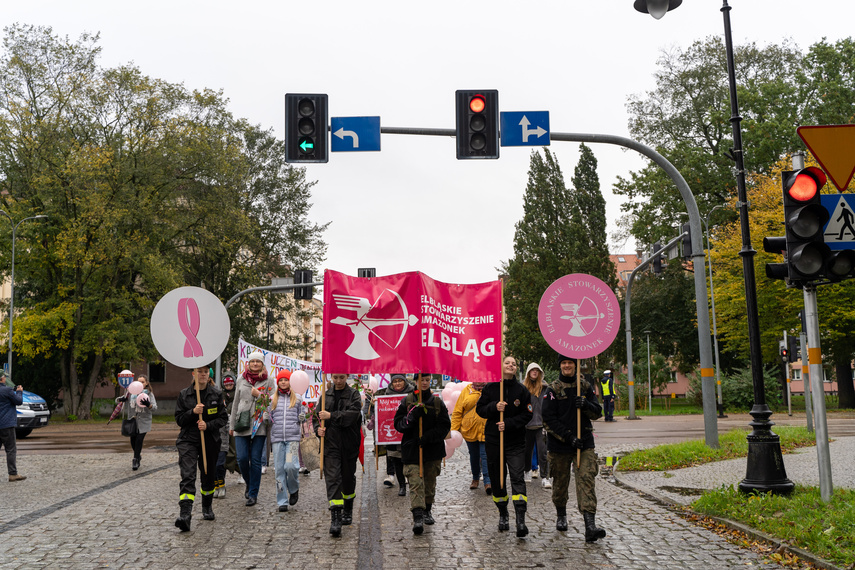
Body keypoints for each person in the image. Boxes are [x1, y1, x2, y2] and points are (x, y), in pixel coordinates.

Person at [542, 354, 606, 543]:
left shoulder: (584, 386)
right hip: (560, 444)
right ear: (560, 366)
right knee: (560, 483)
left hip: (584, 443)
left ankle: (589, 525)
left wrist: (586, 405)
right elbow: (548, 419)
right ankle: (561, 514)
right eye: (564, 363)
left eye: (570, 362)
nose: (567, 365)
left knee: (586, 480)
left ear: (576, 365)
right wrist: (568, 437)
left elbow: (597, 413)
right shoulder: (553, 389)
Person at [476, 356, 533, 537]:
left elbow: (527, 414)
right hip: (494, 442)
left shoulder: (522, 390)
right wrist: (494, 406)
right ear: (501, 366)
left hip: (515, 442)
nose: (511, 365)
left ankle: (520, 520)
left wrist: (508, 423)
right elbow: (480, 409)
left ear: (516, 369)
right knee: (498, 480)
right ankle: (503, 513)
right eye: (507, 363)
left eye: (514, 364)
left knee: (517, 478)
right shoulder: (490, 388)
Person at [394, 372, 450, 535]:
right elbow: (398, 424)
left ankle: (427, 510)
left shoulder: (437, 402)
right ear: (416, 381)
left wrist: (427, 437)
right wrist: (411, 418)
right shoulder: (407, 401)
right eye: (421, 380)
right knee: (415, 482)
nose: (424, 383)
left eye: (427, 380)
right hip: (412, 449)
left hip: (432, 450)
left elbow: (445, 426)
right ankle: (417, 516)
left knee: (429, 482)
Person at [174, 365, 227, 531]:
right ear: (194, 374)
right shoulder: (184, 394)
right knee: (188, 475)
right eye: (199, 372)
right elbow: (179, 419)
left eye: (205, 372)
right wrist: (192, 412)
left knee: (208, 475)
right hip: (188, 440)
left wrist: (208, 425)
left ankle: (207, 507)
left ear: (208, 375)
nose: (203, 375)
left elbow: (223, 418)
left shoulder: (216, 394)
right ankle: (185, 515)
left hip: (209, 439)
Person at [314, 373, 362, 537]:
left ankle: (348, 508)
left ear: (346, 376)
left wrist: (332, 415)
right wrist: (317, 429)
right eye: (335, 377)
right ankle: (336, 517)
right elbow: (317, 417)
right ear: (331, 378)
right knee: (333, 478)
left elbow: (352, 416)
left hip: (349, 445)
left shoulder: (354, 395)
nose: (338, 381)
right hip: (330, 444)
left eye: (341, 377)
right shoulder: (324, 395)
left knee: (347, 478)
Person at [230, 351, 274, 507]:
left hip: (259, 425)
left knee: (255, 460)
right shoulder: (241, 379)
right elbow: (236, 402)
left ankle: (253, 493)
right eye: (252, 361)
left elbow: (272, 402)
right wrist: (231, 425)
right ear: (248, 363)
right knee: (241, 458)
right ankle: (249, 483)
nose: (255, 364)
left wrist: (259, 395)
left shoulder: (269, 381)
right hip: (241, 424)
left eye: (258, 361)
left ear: (262, 364)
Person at [368, 373, 413, 496]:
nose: (397, 383)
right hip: (392, 432)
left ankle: (409, 477)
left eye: (400, 381)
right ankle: (401, 485)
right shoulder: (385, 394)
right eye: (395, 381)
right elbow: (380, 411)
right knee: (395, 458)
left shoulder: (413, 394)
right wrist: (376, 404)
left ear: (404, 381)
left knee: (408, 457)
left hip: (408, 432)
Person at [270, 369, 302, 512]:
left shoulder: (298, 398)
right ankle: (282, 500)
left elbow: (304, 415)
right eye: (281, 380)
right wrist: (266, 417)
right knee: (279, 470)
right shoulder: (272, 399)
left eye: (286, 380)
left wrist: (303, 416)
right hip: (277, 440)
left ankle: (294, 489)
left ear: (290, 381)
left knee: (291, 466)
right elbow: (268, 417)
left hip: (292, 439)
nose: (283, 382)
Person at [450, 380, 490, 494]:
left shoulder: (489, 389)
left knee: (485, 455)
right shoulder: (466, 391)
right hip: (469, 430)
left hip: (485, 429)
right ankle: (475, 478)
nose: (479, 381)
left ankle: (488, 481)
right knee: (474, 455)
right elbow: (458, 411)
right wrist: (454, 430)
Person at [522, 363, 550, 488]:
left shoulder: (545, 388)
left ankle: (545, 477)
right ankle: (527, 471)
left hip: (541, 425)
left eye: (537, 370)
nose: (534, 372)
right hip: (527, 425)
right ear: (528, 372)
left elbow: (549, 405)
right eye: (532, 370)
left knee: (543, 452)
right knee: (527, 452)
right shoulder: (522, 388)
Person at [214, 372, 239, 498]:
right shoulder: (219, 396)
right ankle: (217, 484)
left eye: (230, 383)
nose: (228, 385)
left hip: (231, 429)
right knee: (216, 463)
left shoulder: (237, 394)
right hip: (218, 432)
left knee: (233, 453)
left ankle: (240, 472)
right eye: (226, 383)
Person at [127, 375, 157, 471]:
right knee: (133, 440)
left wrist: (149, 405)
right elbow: (120, 400)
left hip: (144, 421)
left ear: (147, 383)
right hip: (133, 420)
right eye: (139, 382)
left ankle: (135, 460)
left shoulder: (149, 394)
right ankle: (138, 455)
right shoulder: (131, 393)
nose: (141, 384)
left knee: (139, 440)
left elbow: (155, 408)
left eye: (143, 382)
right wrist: (121, 400)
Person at [0, 373, 26, 482]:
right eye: (4, 377)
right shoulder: (7, 390)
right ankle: (12, 474)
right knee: (10, 449)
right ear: (1, 378)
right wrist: (19, 391)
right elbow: (18, 401)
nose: (5, 378)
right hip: (6, 424)